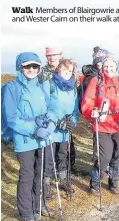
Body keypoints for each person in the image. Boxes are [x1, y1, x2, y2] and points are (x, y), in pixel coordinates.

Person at [3, 52, 56, 221]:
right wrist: (34, 129)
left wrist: (51, 124)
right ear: (20, 67)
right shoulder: (11, 88)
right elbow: (11, 118)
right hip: (24, 139)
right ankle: (26, 212)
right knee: (27, 174)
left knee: (41, 172)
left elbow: (50, 109)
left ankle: (39, 204)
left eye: (35, 66)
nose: (31, 69)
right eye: (27, 66)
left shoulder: (40, 86)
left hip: (42, 138)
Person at [81, 57, 119, 195]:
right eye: (106, 67)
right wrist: (91, 112)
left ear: (116, 67)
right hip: (102, 124)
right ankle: (95, 183)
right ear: (102, 67)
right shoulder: (96, 81)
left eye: (111, 67)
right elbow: (88, 101)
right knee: (104, 156)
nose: (108, 69)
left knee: (118, 155)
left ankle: (114, 182)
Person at [45, 59, 78, 194]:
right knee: (49, 156)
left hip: (65, 129)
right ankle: (45, 183)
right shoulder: (49, 84)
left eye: (70, 70)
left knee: (63, 154)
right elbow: (42, 107)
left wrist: (73, 122)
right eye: (65, 69)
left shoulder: (72, 88)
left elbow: (75, 109)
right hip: (51, 128)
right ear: (58, 69)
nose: (67, 72)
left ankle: (63, 179)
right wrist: (55, 122)